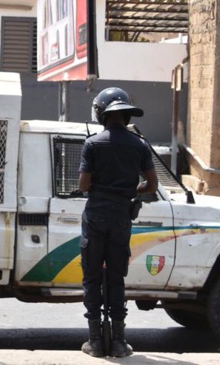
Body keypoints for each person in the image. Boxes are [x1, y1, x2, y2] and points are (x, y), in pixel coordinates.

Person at [79, 88, 159, 358]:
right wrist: (131, 188)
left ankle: (95, 341)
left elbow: (83, 184)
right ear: (126, 115)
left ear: (101, 114)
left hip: (96, 215)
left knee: (91, 277)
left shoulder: (93, 143)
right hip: (122, 216)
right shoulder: (139, 145)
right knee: (116, 277)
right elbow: (152, 185)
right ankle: (119, 342)